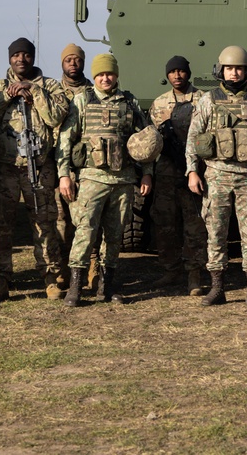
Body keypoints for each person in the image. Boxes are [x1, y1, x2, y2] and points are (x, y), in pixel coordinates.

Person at [186, 46, 247, 308]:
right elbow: (194, 138)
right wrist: (192, 170)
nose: (234, 73)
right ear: (220, 70)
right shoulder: (208, 99)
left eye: (239, 68)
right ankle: (217, 288)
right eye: (229, 68)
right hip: (216, 175)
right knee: (215, 233)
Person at [57, 53, 153, 306]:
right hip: (91, 179)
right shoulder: (81, 100)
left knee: (114, 236)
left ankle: (107, 288)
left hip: (123, 180)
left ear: (116, 75)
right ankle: (76, 289)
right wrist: (64, 175)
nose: (105, 78)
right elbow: (66, 139)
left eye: (109, 74)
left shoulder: (129, 102)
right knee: (85, 232)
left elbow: (146, 140)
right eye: (100, 74)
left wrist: (146, 173)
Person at [0, 37, 69, 302]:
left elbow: (56, 116)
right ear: (10, 58)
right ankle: (0, 278)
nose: (22, 59)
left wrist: (34, 92)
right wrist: (6, 97)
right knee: (2, 225)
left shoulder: (51, 86)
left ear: (33, 57)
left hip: (40, 167)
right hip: (5, 168)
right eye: (16, 55)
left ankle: (50, 277)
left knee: (44, 224)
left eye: (27, 55)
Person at [148, 55, 209, 296]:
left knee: (195, 225)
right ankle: (170, 269)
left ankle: (194, 274)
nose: (177, 75)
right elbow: (151, 138)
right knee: (165, 223)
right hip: (166, 173)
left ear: (188, 73)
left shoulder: (204, 99)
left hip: (195, 173)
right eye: (172, 71)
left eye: (181, 71)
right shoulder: (159, 103)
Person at [54, 43, 94, 289]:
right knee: (60, 220)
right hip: (59, 164)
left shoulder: (94, 91)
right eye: (68, 59)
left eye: (77, 59)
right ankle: (62, 272)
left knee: (87, 220)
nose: (73, 63)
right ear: (62, 63)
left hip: (87, 166)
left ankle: (91, 270)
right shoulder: (52, 91)